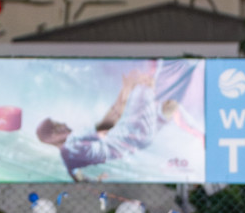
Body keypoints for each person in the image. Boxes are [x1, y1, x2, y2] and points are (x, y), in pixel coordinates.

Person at [37, 66, 180, 181]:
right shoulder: (72, 139)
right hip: (133, 133)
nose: (63, 123)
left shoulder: (67, 159)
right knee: (147, 81)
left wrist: (97, 181)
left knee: (169, 106)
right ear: (54, 134)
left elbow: (77, 177)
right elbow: (110, 120)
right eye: (58, 124)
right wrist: (126, 90)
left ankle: (165, 111)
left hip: (137, 143)